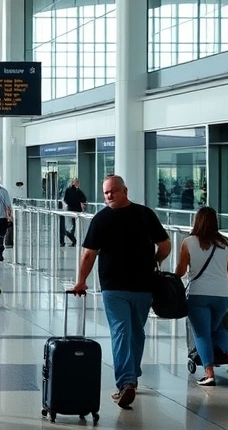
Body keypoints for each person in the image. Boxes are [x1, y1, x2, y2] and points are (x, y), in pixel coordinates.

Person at [72, 175, 171, 409]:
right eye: (106, 193)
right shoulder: (139, 215)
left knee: (129, 331)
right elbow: (165, 245)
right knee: (129, 331)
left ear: (125, 190)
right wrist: (155, 262)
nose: (108, 196)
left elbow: (88, 254)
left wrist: (81, 281)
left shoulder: (109, 218)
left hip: (129, 286)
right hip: (127, 287)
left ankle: (128, 380)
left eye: (113, 192)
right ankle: (129, 379)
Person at [174, 207, 228, 386]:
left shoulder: (188, 242)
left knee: (202, 334)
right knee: (217, 328)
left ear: (196, 221)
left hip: (198, 295)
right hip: (221, 295)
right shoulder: (225, 243)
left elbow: (181, 271)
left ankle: (209, 373)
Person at [60, 178, 87, 247]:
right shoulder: (75, 191)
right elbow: (83, 199)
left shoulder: (76, 191)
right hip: (74, 210)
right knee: (72, 225)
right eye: (76, 182)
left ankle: (72, 239)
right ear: (73, 182)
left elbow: (66, 199)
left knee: (73, 225)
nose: (77, 183)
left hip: (73, 209)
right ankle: (72, 238)